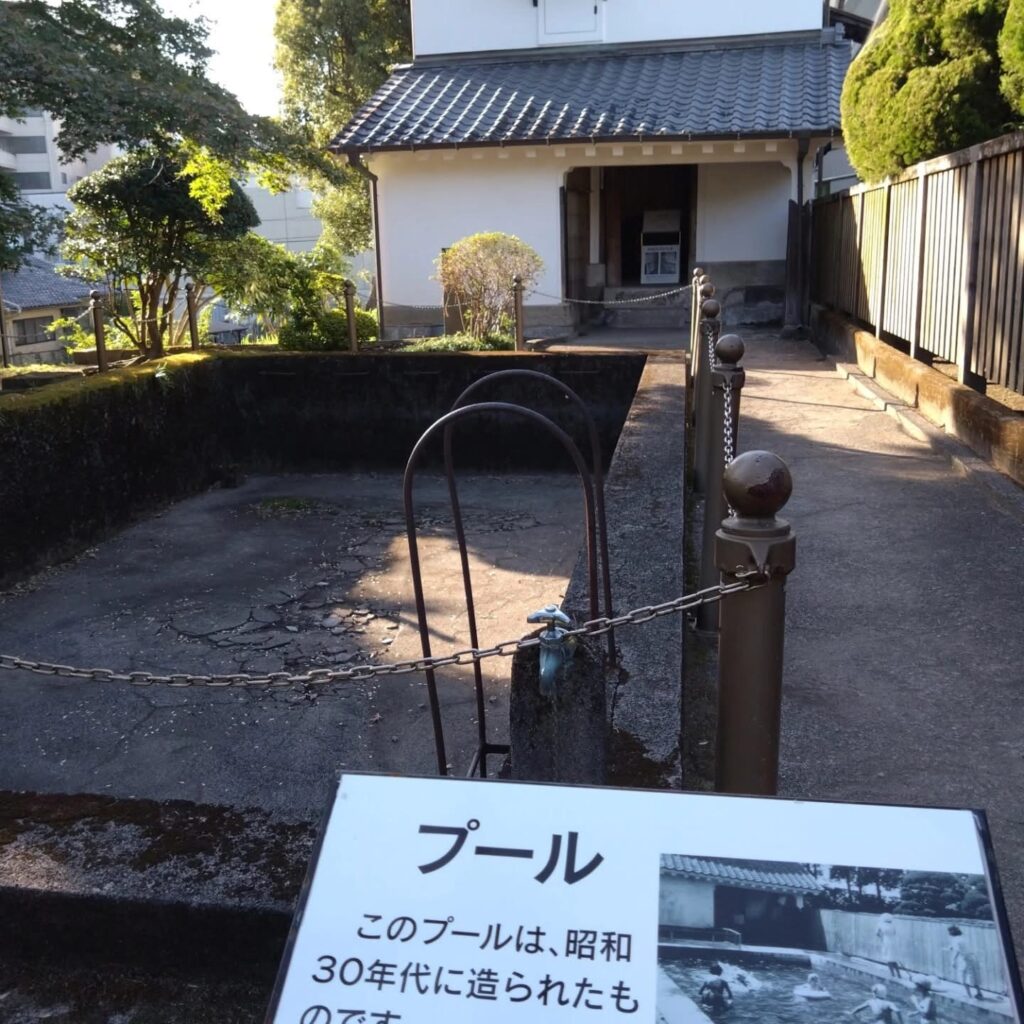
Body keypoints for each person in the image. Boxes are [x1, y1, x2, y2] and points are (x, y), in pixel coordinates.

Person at [946, 926, 984, 1000]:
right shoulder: (963, 938)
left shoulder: (955, 940)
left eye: (949, 931)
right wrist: (951, 947)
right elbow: (961, 947)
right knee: (974, 977)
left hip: (964, 960)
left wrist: (953, 960)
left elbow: (957, 950)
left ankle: (969, 995)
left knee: (964, 977)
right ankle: (979, 992)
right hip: (972, 959)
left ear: (951, 932)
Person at [877, 913, 902, 978]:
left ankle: (892, 973)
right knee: (893, 958)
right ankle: (898, 974)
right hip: (893, 942)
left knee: (888, 959)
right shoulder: (893, 925)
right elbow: (894, 933)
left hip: (886, 942)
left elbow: (878, 934)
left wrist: (881, 936)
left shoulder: (882, 925)